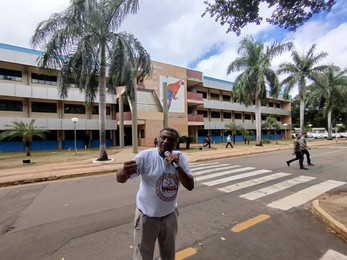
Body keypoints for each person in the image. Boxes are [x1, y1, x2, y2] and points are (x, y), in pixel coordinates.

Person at [116, 127, 194, 260]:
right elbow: (120, 179)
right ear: (157, 140)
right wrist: (123, 171)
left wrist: (178, 166)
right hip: (146, 218)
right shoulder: (145, 157)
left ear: (175, 144)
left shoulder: (179, 157)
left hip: (169, 217)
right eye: (163, 138)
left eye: (170, 139)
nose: (165, 141)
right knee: (142, 256)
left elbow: (190, 185)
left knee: (168, 254)